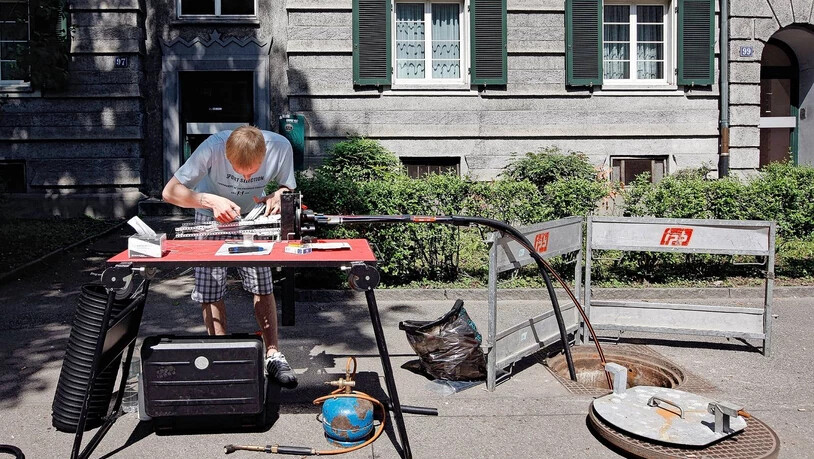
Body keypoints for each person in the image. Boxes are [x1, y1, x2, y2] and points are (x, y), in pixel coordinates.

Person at [162, 125, 298, 388]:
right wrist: (209, 201)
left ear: (264, 155)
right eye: (238, 169)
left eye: (253, 171)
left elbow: (287, 187)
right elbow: (169, 192)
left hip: (253, 215)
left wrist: (280, 195)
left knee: (262, 282)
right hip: (209, 212)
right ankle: (220, 352)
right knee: (210, 286)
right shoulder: (212, 148)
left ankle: (272, 353)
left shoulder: (280, 147)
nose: (246, 178)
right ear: (226, 155)